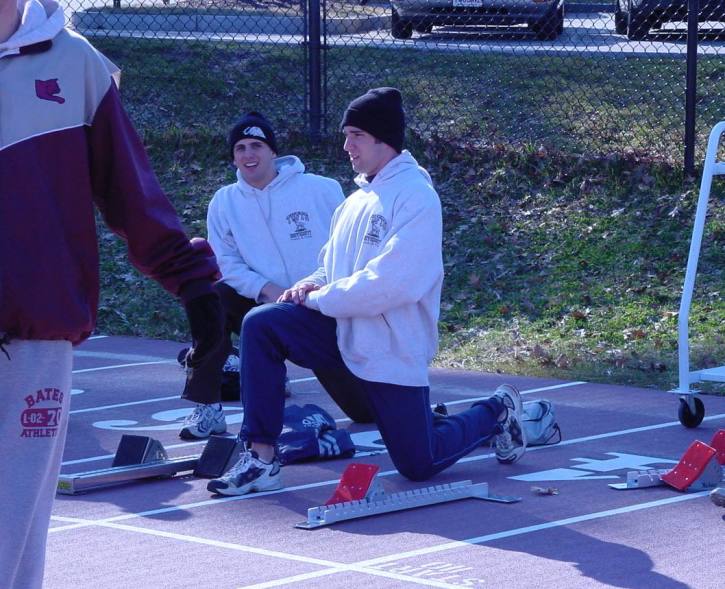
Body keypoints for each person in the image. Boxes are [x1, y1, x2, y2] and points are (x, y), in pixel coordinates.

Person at [206, 87, 527, 497]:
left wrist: (321, 298)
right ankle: (261, 458)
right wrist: (313, 281)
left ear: (383, 139)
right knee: (262, 324)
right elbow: (331, 264)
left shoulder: (416, 197)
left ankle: (496, 410)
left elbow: (393, 283)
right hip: (341, 328)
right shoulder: (356, 198)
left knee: (418, 463)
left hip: (390, 345)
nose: (346, 145)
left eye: (355, 134)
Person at [0, 1, 224, 587]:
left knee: (13, 530)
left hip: (33, 338)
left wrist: (193, 284)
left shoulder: (76, 64)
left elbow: (130, 189)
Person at [178, 111, 374, 440]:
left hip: (320, 309)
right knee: (214, 296)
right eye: (240, 148)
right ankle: (207, 405)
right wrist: (268, 289)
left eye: (256, 145)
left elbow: (347, 251)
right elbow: (225, 263)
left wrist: (312, 290)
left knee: (365, 412)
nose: (248, 155)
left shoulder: (321, 190)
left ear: (273, 151)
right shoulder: (224, 202)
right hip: (265, 306)